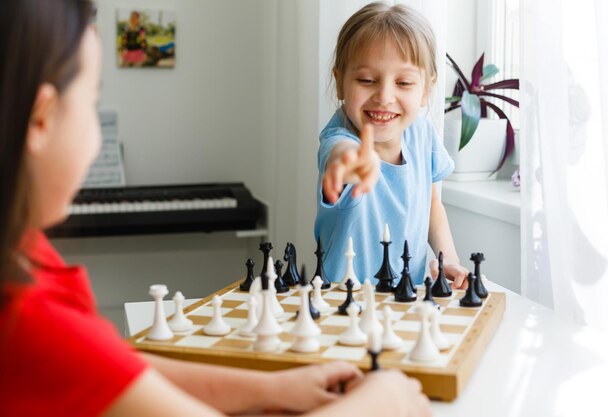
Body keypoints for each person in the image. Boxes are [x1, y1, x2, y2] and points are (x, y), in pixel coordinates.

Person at [0, 1, 430, 416]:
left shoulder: (26, 257)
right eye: (92, 103)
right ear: (42, 119)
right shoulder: (30, 323)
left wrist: (275, 387)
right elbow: (79, 359)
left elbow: (117, 370)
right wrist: (379, 405)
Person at [315, 2, 469, 290]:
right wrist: (352, 165)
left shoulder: (423, 133)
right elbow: (339, 157)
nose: (384, 96)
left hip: (407, 297)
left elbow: (433, 204)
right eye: (366, 80)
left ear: (426, 90)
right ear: (340, 83)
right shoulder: (339, 139)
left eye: (404, 82)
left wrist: (446, 256)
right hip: (345, 300)